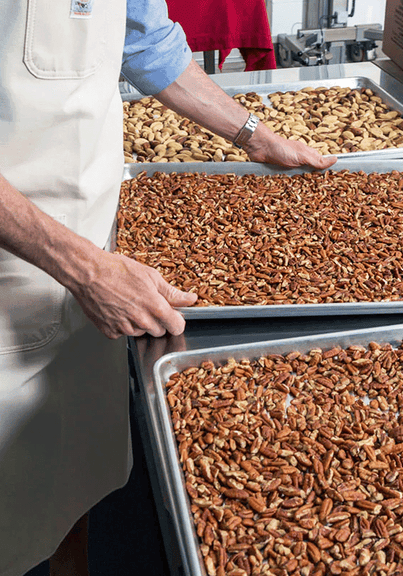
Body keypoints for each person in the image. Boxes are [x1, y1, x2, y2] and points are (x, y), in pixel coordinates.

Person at [0, 0, 337, 575]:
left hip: (93, 247)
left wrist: (252, 134)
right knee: (10, 495)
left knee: (70, 474)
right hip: (18, 267)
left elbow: (143, 38)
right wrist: (84, 270)